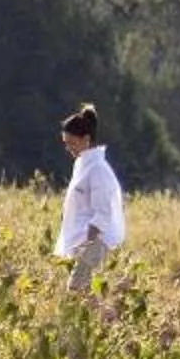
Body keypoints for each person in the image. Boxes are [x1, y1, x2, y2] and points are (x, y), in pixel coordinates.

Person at [54, 103, 126, 292]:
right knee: (84, 293)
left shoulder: (98, 170)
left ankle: (109, 318)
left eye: (72, 143)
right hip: (79, 240)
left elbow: (102, 212)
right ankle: (108, 318)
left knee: (76, 288)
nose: (69, 148)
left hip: (95, 242)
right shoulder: (83, 164)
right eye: (66, 143)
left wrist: (88, 244)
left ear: (86, 139)